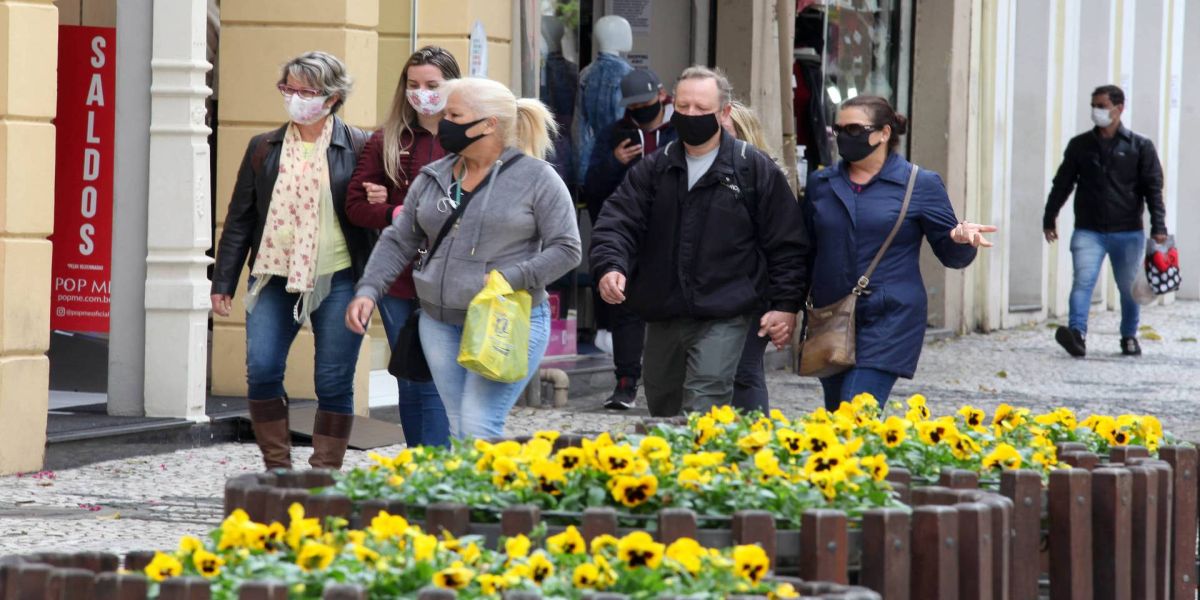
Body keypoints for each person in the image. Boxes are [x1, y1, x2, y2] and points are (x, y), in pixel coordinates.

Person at [346, 78, 581, 440]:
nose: (443, 124)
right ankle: (475, 496)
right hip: (438, 321)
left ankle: (491, 495)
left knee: (478, 425)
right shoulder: (435, 176)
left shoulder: (538, 178)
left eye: (454, 114)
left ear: (489, 124)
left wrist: (514, 276)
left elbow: (567, 248)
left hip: (504, 320)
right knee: (458, 425)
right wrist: (369, 289)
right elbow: (400, 238)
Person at [590, 66, 810, 418]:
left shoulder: (752, 168)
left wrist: (785, 305)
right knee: (662, 402)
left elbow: (787, 243)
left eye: (701, 109)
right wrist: (610, 266)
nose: (690, 115)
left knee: (705, 398)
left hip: (726, 310)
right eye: (684, 106)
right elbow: (617, 222)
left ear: (724, 113)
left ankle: (703, 469)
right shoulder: (654, 167)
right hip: (663, 312)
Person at [211, 51, 371, 470]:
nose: (297, 99)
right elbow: (240, 218)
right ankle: (278, 469)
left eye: (308, 91)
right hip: (272, 274)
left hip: (337, 276)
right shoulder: (263, 147)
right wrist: (222, 282)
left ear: (333, 98)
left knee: (333, 380)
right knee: (262, 369)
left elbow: (370, 216)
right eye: (290, 89)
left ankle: (323, 473)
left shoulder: (358, 145)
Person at [804, 95, 995, 409]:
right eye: (838, 128)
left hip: (890, 316)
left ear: (884, 133)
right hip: (832, 315)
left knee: (856, 410)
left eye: (854, 129)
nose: (843, 137)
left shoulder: (919, 184)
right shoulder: (821, 183)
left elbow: (950, 253)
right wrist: (784, 307)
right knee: (836, 413)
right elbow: (806, 251)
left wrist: (961, 240)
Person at [345, 46, 459, 448]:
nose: (422, 93)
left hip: (453, 279)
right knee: (409, 377)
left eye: (432, 85)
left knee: (436, 376)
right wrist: (396, 214)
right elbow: (357, 206)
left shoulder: (466, 137)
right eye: (413, 85)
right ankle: (421, 465)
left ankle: (438, 469)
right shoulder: (387, 139)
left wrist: (394, 206)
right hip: (398, 280)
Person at [1044, 84, 1168, 358]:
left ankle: (1129, 336)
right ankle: (1077, 334)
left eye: (1101, 106)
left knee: (1129, 288)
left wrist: (1159, 226)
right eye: (1094, 105)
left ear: (1118, 108)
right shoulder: (1080, 146)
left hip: (1128, 231)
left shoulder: (1140, 146)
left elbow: (1153, 189)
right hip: (1089, 230)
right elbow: (1062, 183)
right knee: (1083, 281)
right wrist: (1049, 216)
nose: (1096, 111)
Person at [582, 68, 677, 410]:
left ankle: (671, 383)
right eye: (633, 105)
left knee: (672, 308)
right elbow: (590, 186)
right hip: (630, 232)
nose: (640, 110)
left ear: (662, 96)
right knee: (625, 307)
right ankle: (625, 382)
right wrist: (614, 162)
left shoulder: (681, 130)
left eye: (646, 103)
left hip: (672, 230)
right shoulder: (615, 134)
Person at [720, 100, 782, 414]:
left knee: (744, 371)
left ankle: (755, 443)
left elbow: (784, 245)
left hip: (753, 292)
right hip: (710, 290)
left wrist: (782, 303)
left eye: (725, 132)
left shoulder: (765, 177)